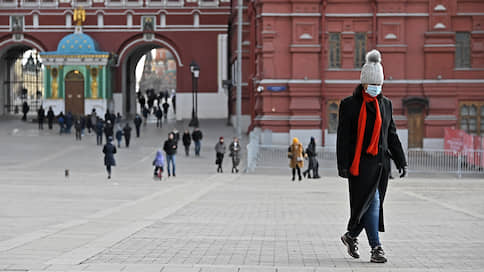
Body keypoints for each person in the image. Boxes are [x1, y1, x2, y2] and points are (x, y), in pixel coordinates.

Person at [337, 50, 407, 264]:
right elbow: (343, 137)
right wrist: (343, 165)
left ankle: (351, 236)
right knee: (372, 202)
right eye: (372, 84)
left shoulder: (385, 105)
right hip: (359, 166)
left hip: (381, 165)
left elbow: (391, 133)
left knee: (367, 205)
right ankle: (376, 248)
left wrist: (400, 160)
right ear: (363, 83)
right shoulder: (349, 105)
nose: (376, 88)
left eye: (379, 84)